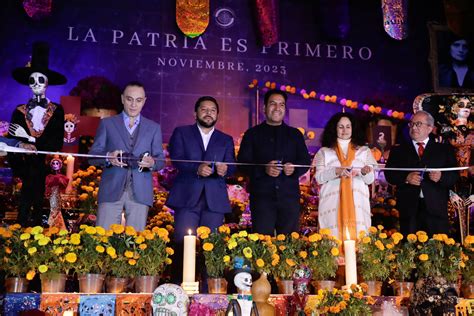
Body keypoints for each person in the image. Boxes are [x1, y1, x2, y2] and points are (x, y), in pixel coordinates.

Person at [167, 96, 235, 285]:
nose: (208, 113)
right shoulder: (182, 132)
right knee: (182, 246)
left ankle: (208, 294)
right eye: (204, 109)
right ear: (195, 112)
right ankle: (178, 290)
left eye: (212, 110)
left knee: (211, 249)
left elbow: (232, 166)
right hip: (187, 198)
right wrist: (196, 168)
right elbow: (177, 159)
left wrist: (226, 170)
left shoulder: (225, 139)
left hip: (214, 201)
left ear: (217, 115)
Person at [88, 81, 164, 231]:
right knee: (103, 239)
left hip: (140, 193)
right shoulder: (107, 124)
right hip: (111, 190)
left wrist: (152, 163)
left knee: (135, 243)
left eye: (138, 100)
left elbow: (160, 160)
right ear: (122, 99)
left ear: (144, 101)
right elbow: (92, 156)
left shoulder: (154, 128)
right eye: (129, 99)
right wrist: (109, 156)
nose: (134, 105)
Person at [237, 89, 311, 235]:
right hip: (262, 199)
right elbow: (242, 164)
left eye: (281, 104)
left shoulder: (295, 134)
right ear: (264, 108)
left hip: (289, 198)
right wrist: (263, 169)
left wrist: (294, 169)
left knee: (289, 245)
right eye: (273, 104)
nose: (277, 108)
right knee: (262, 245)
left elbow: (305, 161)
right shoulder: (252, 134)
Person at [8, 42, 66, 227]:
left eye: (40, 80)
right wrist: (19, 170)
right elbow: (12, 143)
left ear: (47, 82)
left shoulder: (56, 111)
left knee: (39, 208)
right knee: (24, 207)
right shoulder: (20, 111)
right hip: (26, 169)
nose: (35, 85)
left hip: (45, 170)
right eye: (32, 80)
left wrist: (30, 138)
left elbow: (56, 143)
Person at [384, 110, 459, 236]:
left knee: (437, 249)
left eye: (418, 124)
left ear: (430, 128)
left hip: (436, 209)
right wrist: (406, 177)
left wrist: (441, 177)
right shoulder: (398, 150)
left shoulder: (444, 150)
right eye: (411, 124)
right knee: (410, 248)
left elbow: (454, 176)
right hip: (409, 209)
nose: (414, 127)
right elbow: (389, 174)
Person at [313, 112, 377, 241]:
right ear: (334, 128)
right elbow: (318, 178)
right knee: (332, 239)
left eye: (348, 126)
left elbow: (370, 180)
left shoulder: (364, 151)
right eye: (340, 126)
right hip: (332, 203)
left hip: (357, 202)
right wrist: (336, 172)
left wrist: (365, 172)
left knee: (360, 238)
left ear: (353, 128)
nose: (344, 130)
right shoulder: (324, 152)